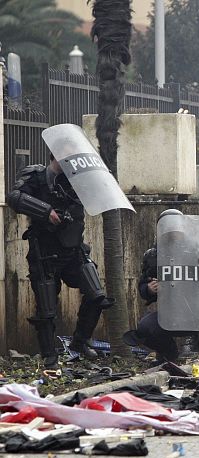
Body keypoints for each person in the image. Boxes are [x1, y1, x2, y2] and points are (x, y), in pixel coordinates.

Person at [8, 154, 113, 373]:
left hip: (73, 250)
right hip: (44, 254)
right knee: (46, 309)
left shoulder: (77, 180)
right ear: (55, 157)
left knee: (97, 296)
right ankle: (50, 358)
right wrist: (45, 211)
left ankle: (80, 341)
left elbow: (100, 192)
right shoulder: (37, 177)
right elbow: (14, 197)